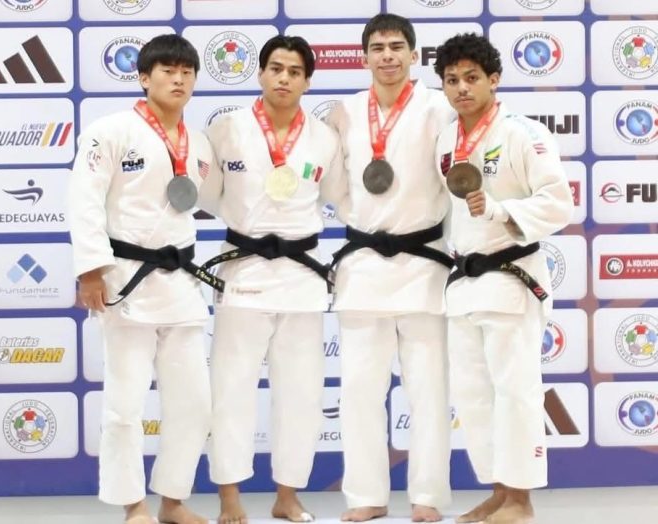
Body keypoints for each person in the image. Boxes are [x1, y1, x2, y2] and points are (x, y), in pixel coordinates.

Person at [197, 35, 347, 524]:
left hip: (302, 277)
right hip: (243, 272)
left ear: (308, 81)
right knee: (231, 391)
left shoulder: (324, 138)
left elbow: (336, 196)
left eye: (295, 72)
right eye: (276, 68)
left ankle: (288, 496)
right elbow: (209, 197)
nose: (284, 78)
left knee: (301, 394)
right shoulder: (226, 129)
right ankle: (230, 497)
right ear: (260, 73)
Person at [69, 34, 214, 524]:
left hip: (181, 284)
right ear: (144, 77)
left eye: (186, 72)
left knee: (193, 403)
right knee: (125, 406)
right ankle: (133, 503)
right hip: (125, 282)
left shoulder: (198, 142)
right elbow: (84, 202)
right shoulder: (109, 131)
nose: (178, 80)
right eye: (167, 71)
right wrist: (91, 270)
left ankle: (173, 500)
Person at [433, 33, 574, 524]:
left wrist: (501, 210)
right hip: (465, 281)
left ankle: (521, 499)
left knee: (516, 391)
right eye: (452, 80)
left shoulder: (523, 133)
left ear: (493, 79)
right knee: (474, 396)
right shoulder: (446, 139)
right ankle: (498, 490)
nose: (461, 88)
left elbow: (558, 202)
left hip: (511, 276)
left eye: (471, 78)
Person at [327, 13, 455, 523]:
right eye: (377, 47)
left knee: (429, 392)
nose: (387, 56)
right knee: (359, 392)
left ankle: (428, 496)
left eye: (397, 46)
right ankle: (365, 495)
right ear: (364, 57)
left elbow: (452, 181)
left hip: (424, 266)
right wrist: (362, 223)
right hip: (363, 266)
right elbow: (336, 185)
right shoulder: (343, 113)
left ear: (414, 54)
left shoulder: (439, 108)